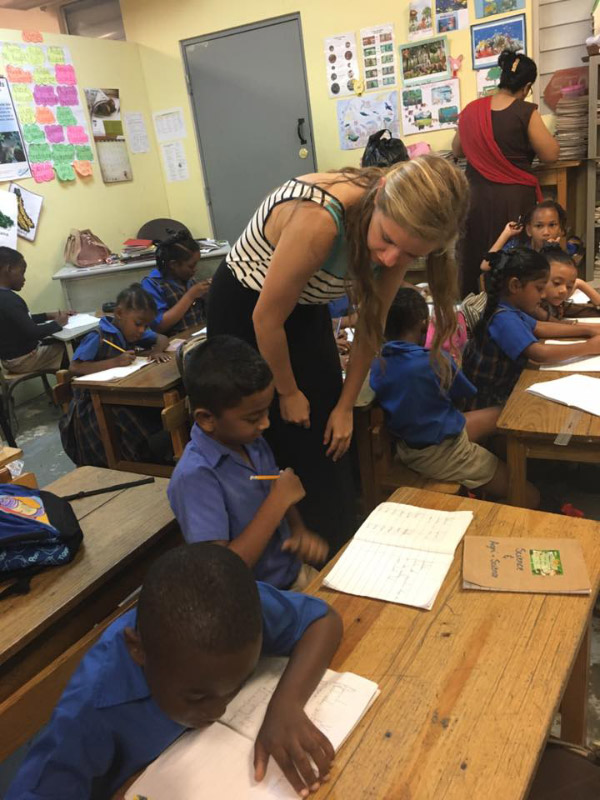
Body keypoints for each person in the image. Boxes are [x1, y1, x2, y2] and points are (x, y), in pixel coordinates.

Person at [207, 156, 469, 553]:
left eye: (410, 254)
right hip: (247, 310)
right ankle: (277, 552)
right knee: (273, 427)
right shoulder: (319, 219)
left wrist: (346, 405)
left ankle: (335, 543)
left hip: (304, 305)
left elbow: (371, 326)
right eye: (388, 240)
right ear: (379, 196)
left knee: (328, 430)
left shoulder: (401, 235)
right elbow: (266, 319)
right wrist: (287, 392)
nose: (390, 260)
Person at [6, 543, 342, 800]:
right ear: (139, 650)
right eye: (197, 696)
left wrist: (286, 704)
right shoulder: (91, 707)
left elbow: (323, 621)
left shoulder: (232, 612)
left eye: (235, 685)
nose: (218, 710)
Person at [168, 336, 328, 589]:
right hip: (253, 602)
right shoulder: (196, 477)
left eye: (266, 412)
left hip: (291, 576)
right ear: (207, 418)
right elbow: (221, 574)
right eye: (254, 418)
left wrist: (298, 530)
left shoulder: (249, 440)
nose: (265, 424)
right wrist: (278, 501)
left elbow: (275, 485)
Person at [370, 289, 538, 506]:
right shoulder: (434, 360)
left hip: (412, 443)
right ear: (424, 324)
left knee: (502, 414)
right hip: (443, 450)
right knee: (530, 495)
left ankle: (495, 466)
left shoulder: (378, 362)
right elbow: (465, 393)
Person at [453, 50, 560, 296]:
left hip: (475, 197)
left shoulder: (471, 111)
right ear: (527, 86)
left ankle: (472, 310)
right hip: (513, 198)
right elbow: (550, 155)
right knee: (513, 260)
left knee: (476, 252)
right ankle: (515, 308)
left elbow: (457, 148)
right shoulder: (524, 111)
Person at [462, 249, 600, 409]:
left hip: (504, 390)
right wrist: (589, 347)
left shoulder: (511, 309)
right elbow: (539, 354)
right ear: (515, 286)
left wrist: (589, 331)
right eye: (539, 289)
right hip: (489, 401)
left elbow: (540, 327)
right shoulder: (503, 318)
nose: (542, 296)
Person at [59, 284, 170, 467]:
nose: (142, 330)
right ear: (119, 313)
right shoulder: (99, 336)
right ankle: (134, 463)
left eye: (146, 325)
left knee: (152, 412)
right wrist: (114, 362)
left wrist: (156, 351)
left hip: (120, 396)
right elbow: (75, 367)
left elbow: (162, 338)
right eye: (138, 324)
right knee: (134, 421)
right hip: (92, 407)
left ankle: (150, 458)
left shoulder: (131, 332)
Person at [0, 247, 69, 375]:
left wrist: (48, 316)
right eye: (22, 272)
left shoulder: (4, 298)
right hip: (23, 359)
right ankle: (74, 392)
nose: (24, 279)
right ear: (8, 269)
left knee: (58, 343)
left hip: (10, 358)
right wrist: (58, 323)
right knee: (72, 352)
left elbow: (20, 320)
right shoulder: (9, 299)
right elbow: (33, 332)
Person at [141, 230, 210, 335]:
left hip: (199, 335)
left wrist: (208, 294)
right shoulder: (152, 284)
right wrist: (190, 296)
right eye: (191, 266)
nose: (195, 269)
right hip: (174, 343)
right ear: (173, 265)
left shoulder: (187, 278)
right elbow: (159, 326)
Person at [481, 200, 567, 272]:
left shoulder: (563, 257)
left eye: (552, 225)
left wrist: (552, 253)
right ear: (529, 230)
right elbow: (485, 266)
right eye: (539, 226)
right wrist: (506, 234)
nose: (546, 232)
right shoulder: (517, 250)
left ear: (560, 229)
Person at [536, 246, 600, 321]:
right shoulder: (535, 307)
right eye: (557, 283)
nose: (564, 290)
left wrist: (580, 283)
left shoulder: (557, 303)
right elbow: (557, 325)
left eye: (569, 286)